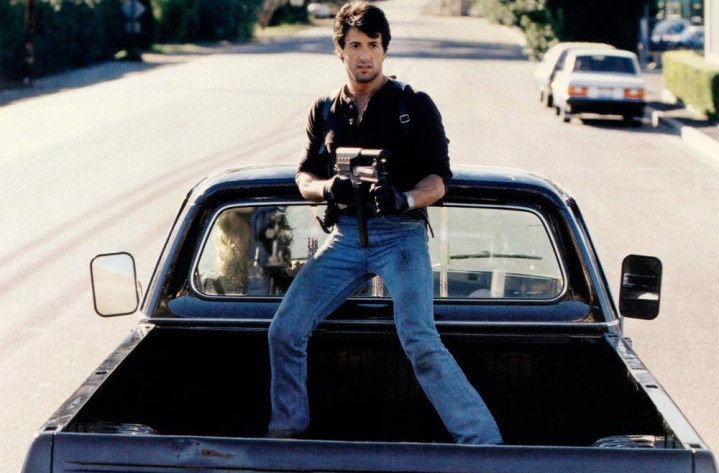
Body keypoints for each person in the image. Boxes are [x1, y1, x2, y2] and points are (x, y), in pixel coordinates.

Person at [267, 1, 502, 445]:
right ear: (340, 50)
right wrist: (326, 189)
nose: (364, 56)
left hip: (401, 237)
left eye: (373, 45)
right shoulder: (325, 111)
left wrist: (404, 198)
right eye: (355, 45)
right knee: (285, 331)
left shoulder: (412, 106)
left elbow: (440, 179)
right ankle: (286, 435)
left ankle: (484, 444)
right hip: (343, 239)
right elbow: (303, 175)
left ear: (385, 49)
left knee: (419, 340)